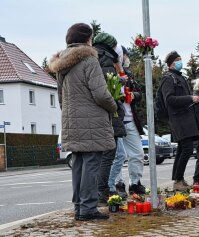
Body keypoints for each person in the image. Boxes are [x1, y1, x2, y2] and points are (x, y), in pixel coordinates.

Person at [49, 23, 117, 220]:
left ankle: (79, 206)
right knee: (92, 163)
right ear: (88, 39)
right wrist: (113, 107)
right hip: (92, 120)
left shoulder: (62, 63)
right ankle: (88, 208)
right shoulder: (89, 59)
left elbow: (61, 97)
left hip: (72, 120)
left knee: (78, 162)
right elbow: (101, 94)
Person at [92, 33, 127, 204]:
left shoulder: (95, 57)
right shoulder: (105, 59)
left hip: (97, 114)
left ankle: (100, 191)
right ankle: (103, 191)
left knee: (104, 155)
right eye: (114, 46)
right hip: (107, 114)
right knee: (109, 154)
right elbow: (106, 89)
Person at [160, 51, 199, 190]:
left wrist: (196, 97)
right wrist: (190, 98)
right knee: (187, 148)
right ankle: (178, 180)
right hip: (178, 118)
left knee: (183, 149)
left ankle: (179, 179)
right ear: (171, 64)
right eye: (178, 60)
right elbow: (169, 100)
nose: (180, 62)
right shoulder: (168, 79)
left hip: (185, 117)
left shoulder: (178, 77)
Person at [108, 45, 146, 196]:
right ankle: (118, 183)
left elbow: (139, 93)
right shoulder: (109, 72)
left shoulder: (128, 74)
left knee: (137, 154)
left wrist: (133, 96)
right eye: (125, 56)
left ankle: (135, 183)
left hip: (131, 121)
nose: (126, 59)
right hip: (116, 121)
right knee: (118, 156)